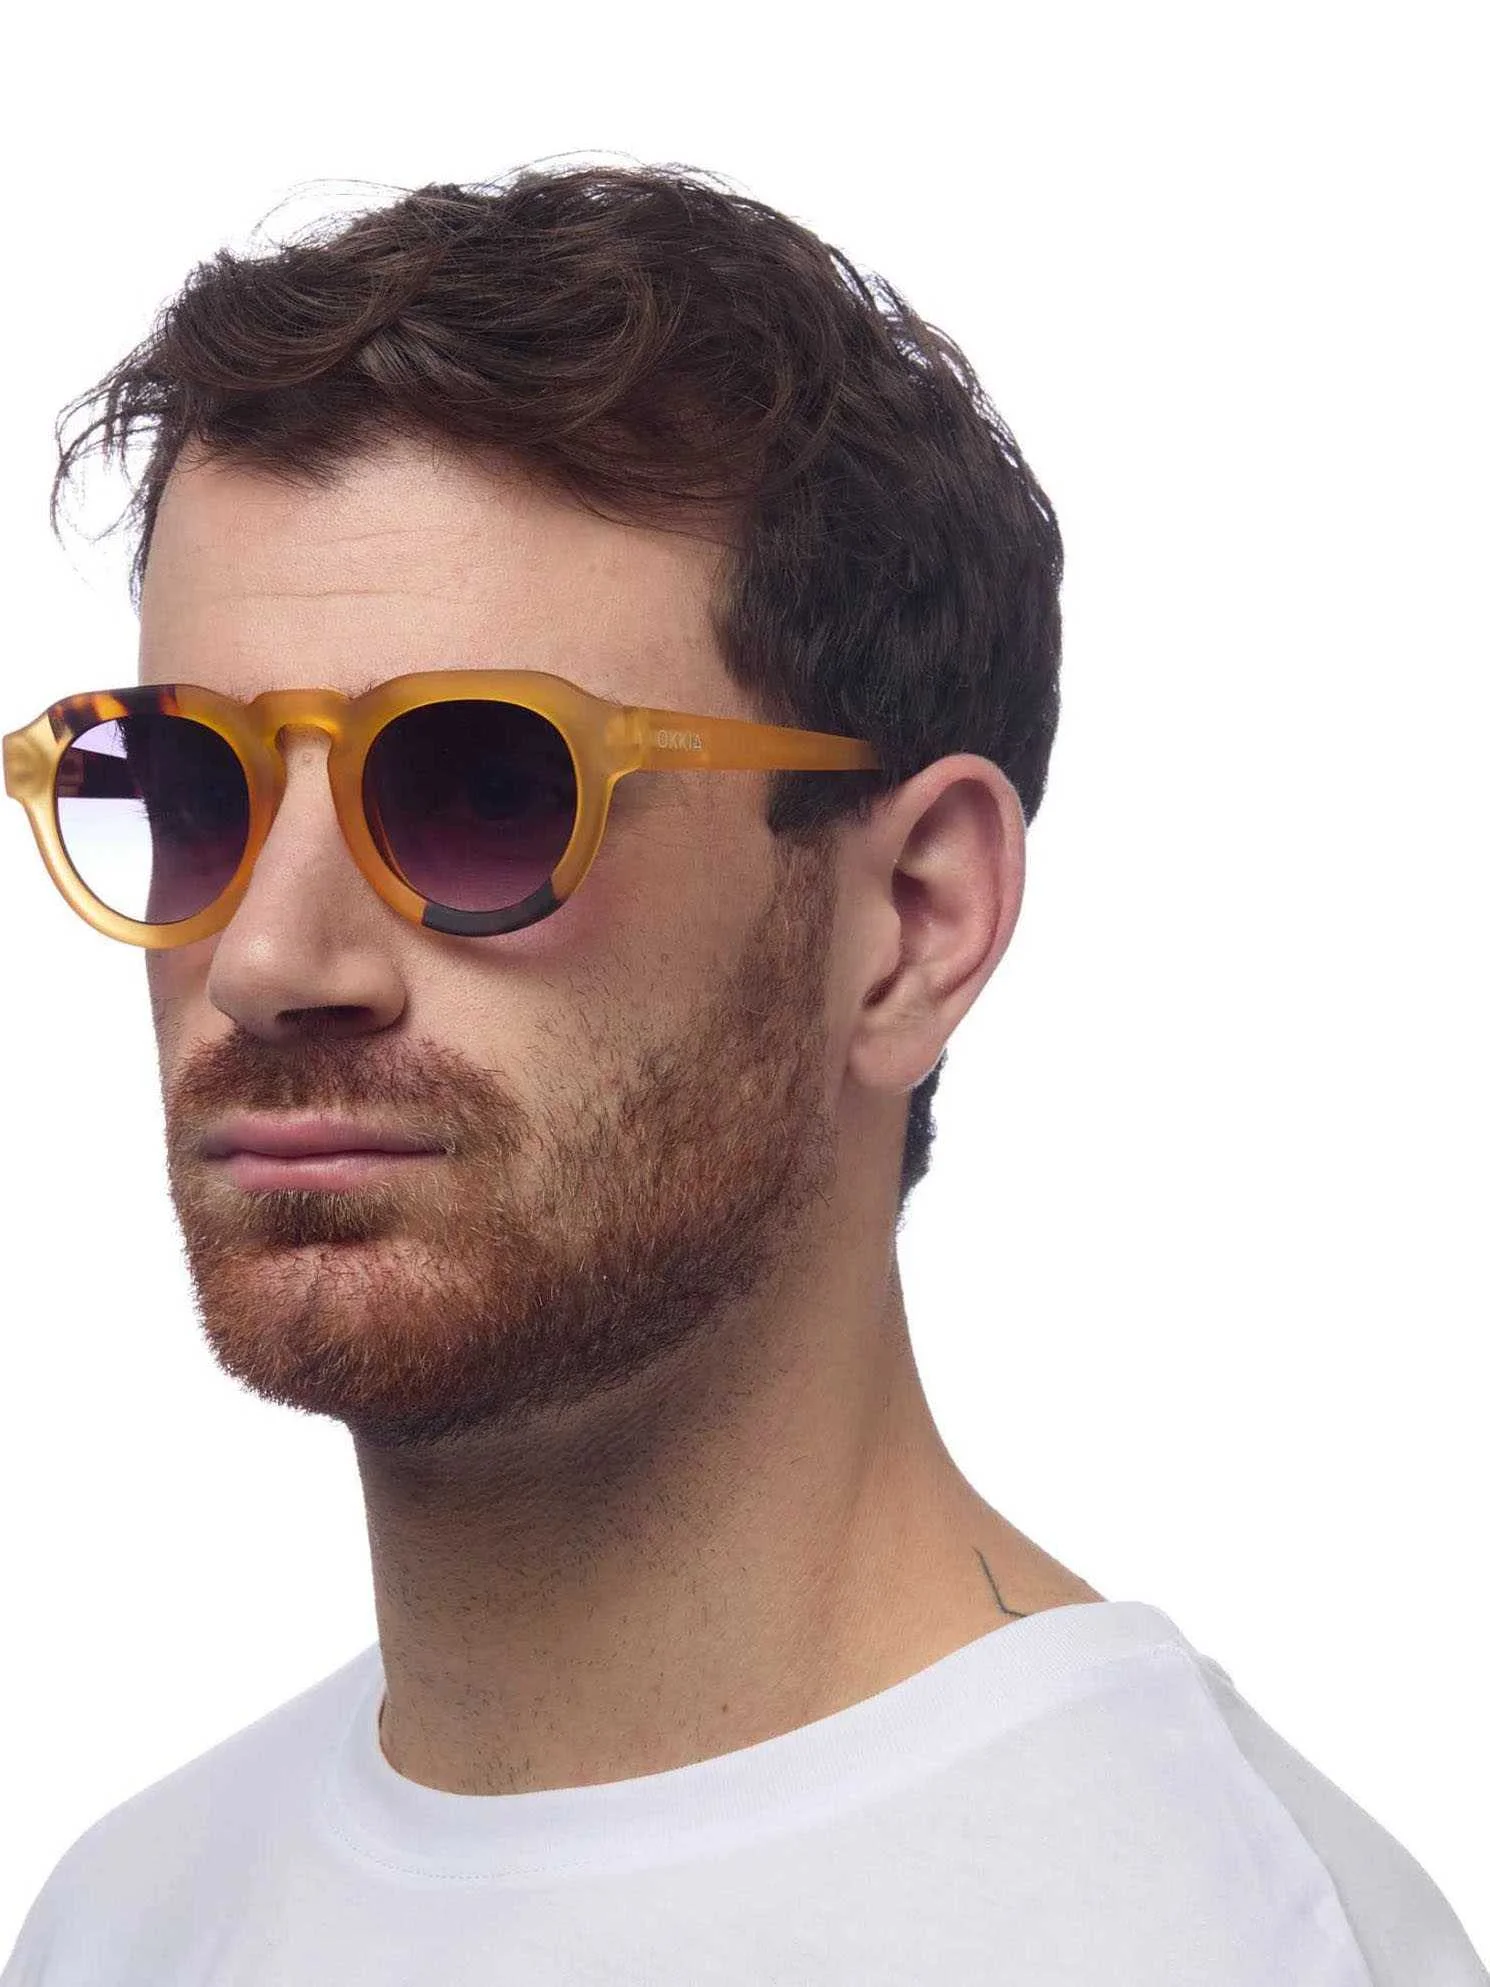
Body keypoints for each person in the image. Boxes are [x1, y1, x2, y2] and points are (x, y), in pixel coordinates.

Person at [1, 161, 1483, 1987]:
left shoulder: (1221, 1943)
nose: (266, 960)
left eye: (480, 788)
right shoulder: (125, 1917)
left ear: (913, 922)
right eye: (195, 791)